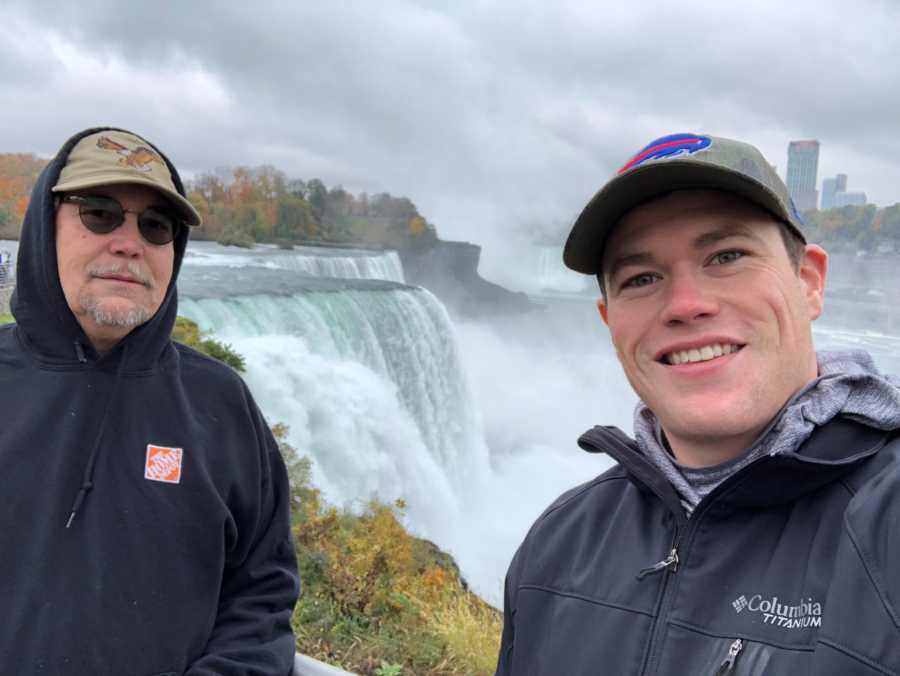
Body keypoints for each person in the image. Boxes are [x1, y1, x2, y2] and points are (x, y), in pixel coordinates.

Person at [496, 133, 900, 675]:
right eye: (642, 278)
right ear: (610, 319)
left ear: (809, 282)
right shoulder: (555, 547)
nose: (685, 306)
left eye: (726, 256)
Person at [0, 127, 300, 675]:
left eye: (155, 225)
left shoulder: (221, 404)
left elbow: (262, 592)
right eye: (99, 213)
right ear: (45, 227)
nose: (129, 242)